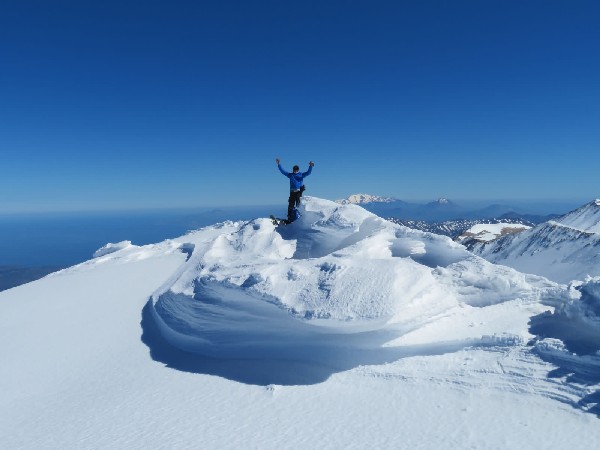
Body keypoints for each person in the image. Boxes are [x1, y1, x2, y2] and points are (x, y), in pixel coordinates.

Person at [276, 158, 314, 222]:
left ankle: (298, 219)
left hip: (298, 192)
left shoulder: (301, 175)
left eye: (296, 170)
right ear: (293, 170)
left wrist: (310, 166)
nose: (295, 171)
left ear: (298, 170)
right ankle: (289, 218)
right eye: (294, 170)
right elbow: (283, 171)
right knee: (290, 205)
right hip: (292, 192)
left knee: (298, 205)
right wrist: (279, 164)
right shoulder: (291, 175)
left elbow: (308, 173)